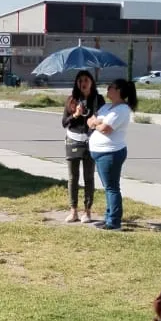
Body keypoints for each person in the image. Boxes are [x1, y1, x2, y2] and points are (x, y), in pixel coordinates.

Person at [87, 78, 138, 231]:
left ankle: (114, 222)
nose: (108, 89)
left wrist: (96, 123)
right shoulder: (107, 107)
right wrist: (96, 123)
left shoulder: (122, 109)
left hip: (111, 153)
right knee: (108, 187)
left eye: (111, 87)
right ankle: (108, 217)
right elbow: (90, 121)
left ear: (119, 91)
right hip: (100, 152)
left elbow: (106, 128)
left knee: (111, 188)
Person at [61, 70, 105, 223]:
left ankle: (87, 211)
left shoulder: (98, 100)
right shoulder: (72, 100)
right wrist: (75, 115)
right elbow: (64, 123)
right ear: (76, 84)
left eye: (86, 80)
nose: (83, 83)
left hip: (91, 141)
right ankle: (73, 211)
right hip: (73, 140)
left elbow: (103, 120)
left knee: (89, 177)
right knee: (73, 177)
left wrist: (95, 119)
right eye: (80, 81)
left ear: (91, 82)